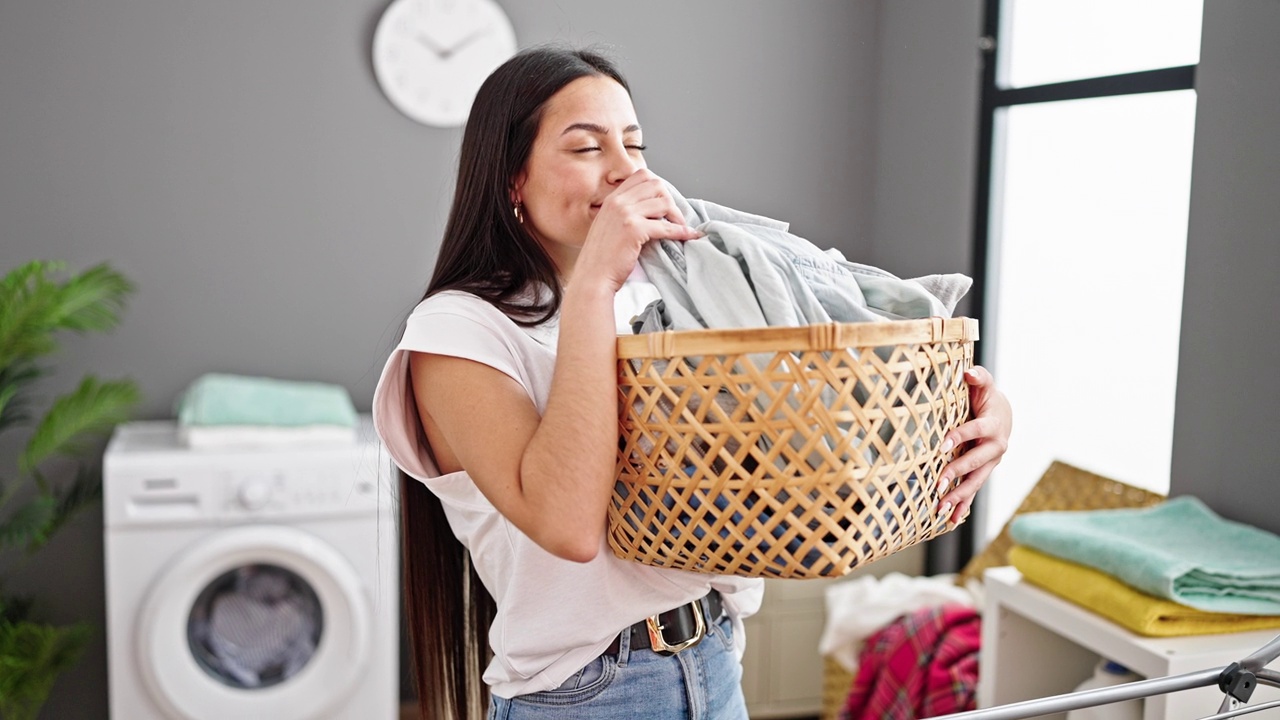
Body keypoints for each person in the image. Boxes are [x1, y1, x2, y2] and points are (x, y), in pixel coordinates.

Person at [372, 46, 1012, 720]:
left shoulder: (662, 307)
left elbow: (813, 405)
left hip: (715, 662)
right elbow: (566, 524)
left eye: (634, 144)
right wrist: (594, 282)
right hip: (588, 695)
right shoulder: (455, 332)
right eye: (588, 147)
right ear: (512, 182)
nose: (626, 170)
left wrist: (968, 409)